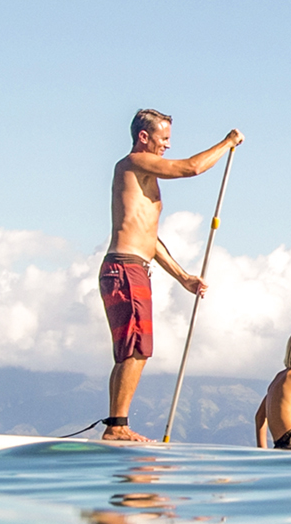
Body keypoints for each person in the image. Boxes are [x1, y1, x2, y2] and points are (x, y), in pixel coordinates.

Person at [96, 108, 241, 441]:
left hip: (133, 266)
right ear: (144, 137)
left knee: (134, 347)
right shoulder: (133, 163)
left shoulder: (143, 177)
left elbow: (150, 239)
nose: (167, 146)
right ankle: (117, 427)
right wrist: (228, 142)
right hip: (125, 267)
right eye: (163, 139)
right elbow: (190, 167)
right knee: (136, 348)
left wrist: (183, 277)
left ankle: (116, 425)